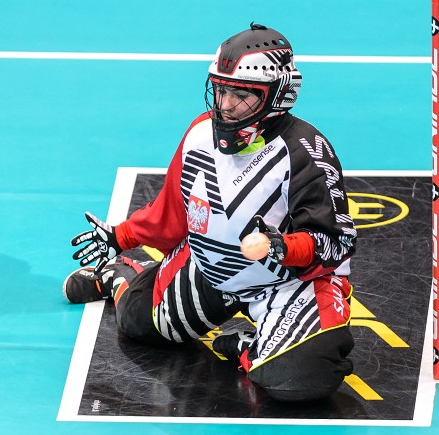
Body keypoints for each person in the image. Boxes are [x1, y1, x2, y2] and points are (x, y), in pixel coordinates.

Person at [63, 23, 358, 402]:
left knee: (303, 379)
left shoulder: (306, 152)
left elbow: (336, 244)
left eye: (241, 95)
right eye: (221, 91)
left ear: (279, 95)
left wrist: (281, 247)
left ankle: (247, 348)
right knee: (137, 322)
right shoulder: (200, 135)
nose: (226, 105)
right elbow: (170, 213)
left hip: (287, 283)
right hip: (212, 269)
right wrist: (120, 237)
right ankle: (121, 275)